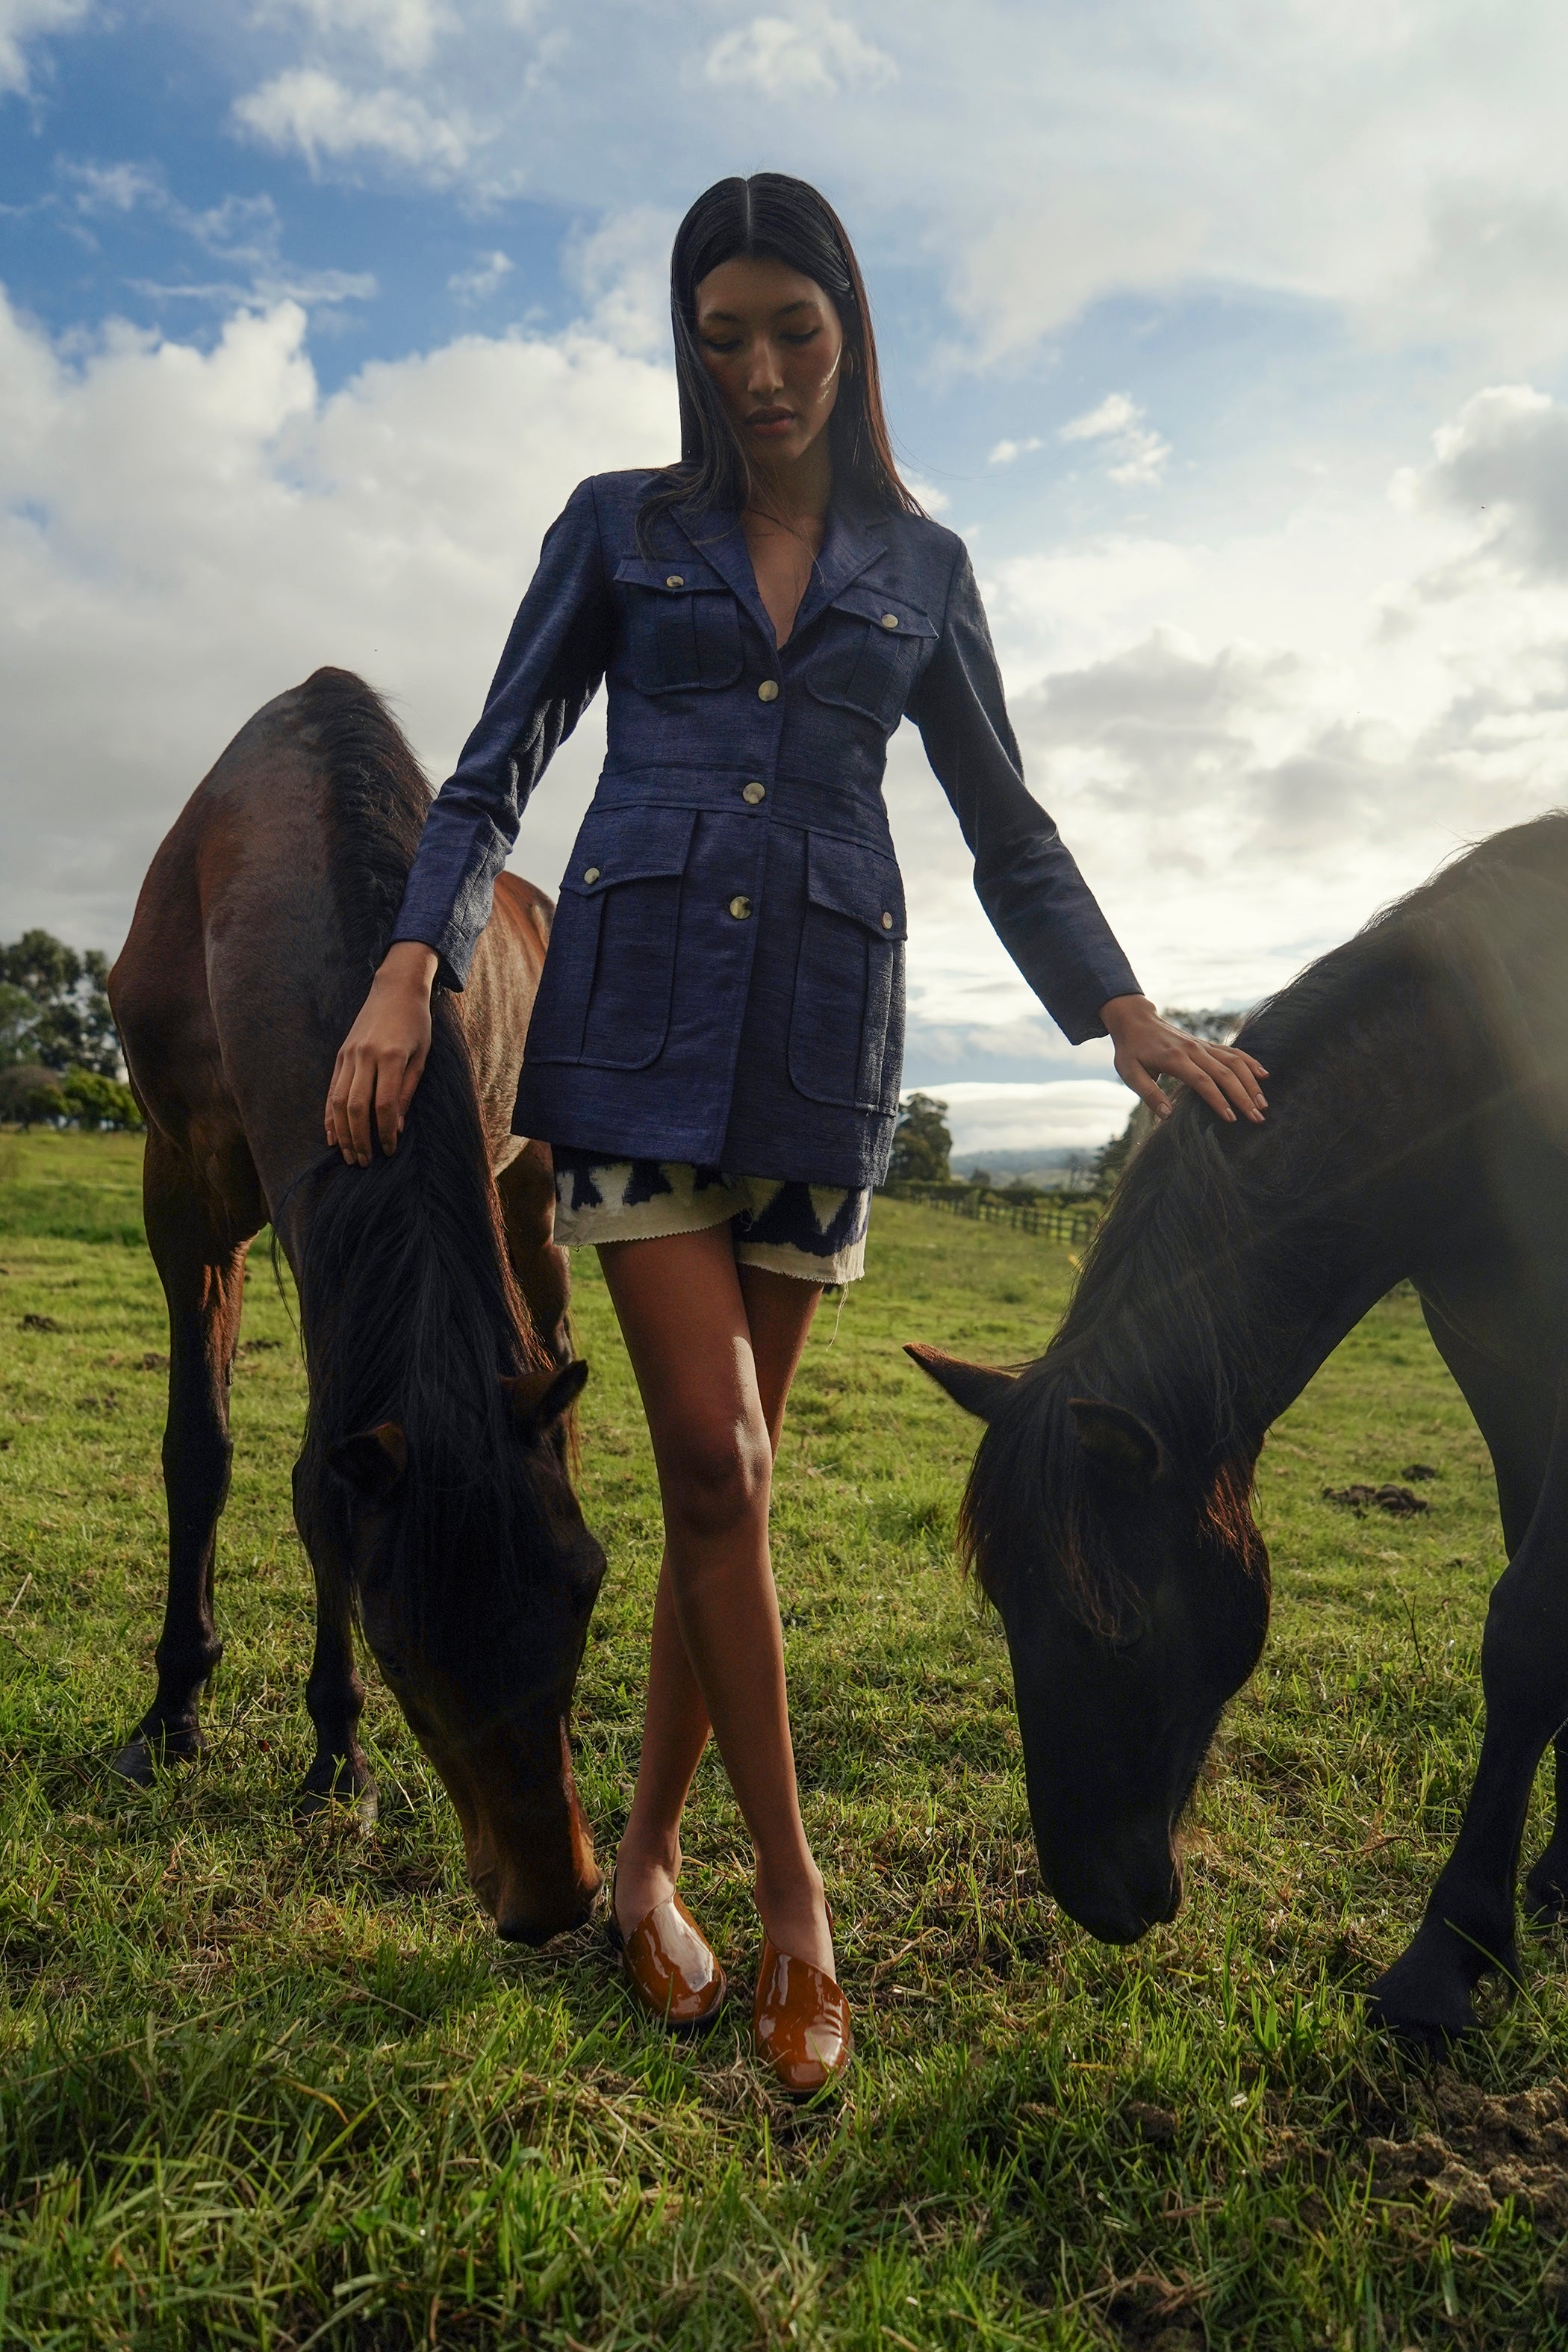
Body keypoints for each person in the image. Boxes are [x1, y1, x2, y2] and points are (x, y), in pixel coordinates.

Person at [324, 173, 1268, 2094]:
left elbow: (1009, 827)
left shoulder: (922, 567)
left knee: (709, 1504)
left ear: (853, 333)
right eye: (721, 335)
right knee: (723, 1469)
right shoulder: (618, 530)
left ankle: (648, 1865)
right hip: (636, 1034)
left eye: (796, 334)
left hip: (822, 1054)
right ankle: (793, 1912)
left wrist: (1122, 1009)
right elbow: (495, 762)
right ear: (688, 344)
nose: (758, 373)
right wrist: (409, 965)